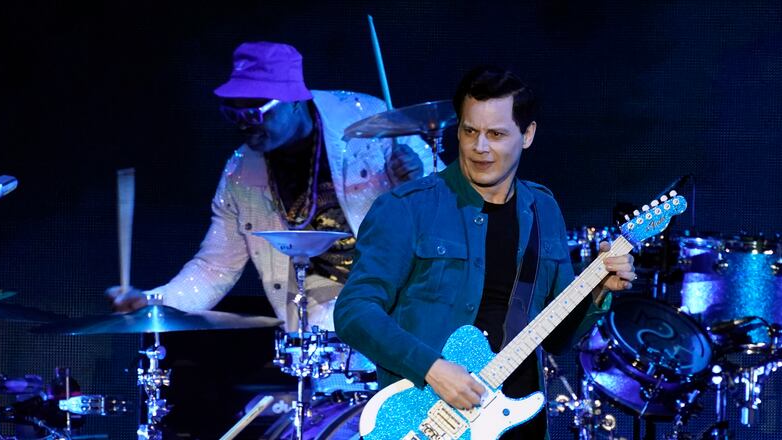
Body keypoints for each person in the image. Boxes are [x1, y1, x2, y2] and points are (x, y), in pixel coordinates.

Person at [333, 66, 636, 439]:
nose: (479, 147)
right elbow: (354, 311)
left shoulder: (543, 208)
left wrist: (597, 290)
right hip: (430, 418)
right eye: (469, 131)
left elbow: (557, 338)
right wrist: (431, 368)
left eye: (496, 134)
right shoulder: (406, 208)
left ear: (527, 135)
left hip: (516, 421)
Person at [107, 42, 437, 331]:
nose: (244, 125)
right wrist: (153, 303)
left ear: (294, 101)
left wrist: (419, 178)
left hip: (402, 297)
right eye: (233, 114)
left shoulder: (369, 121)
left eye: (255, 112)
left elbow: (448, 201)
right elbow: (214, 268)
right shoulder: (240, 174)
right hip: (326, 318)